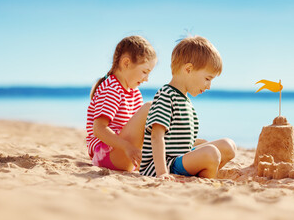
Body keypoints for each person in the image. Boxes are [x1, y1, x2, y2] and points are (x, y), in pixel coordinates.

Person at [140, 35, 236, 179]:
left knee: (228, 146)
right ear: (189, 69)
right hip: (164, 164)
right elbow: (156, 136)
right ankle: (205, 178)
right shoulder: (166, 95)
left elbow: (178, 141)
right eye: (207, 79)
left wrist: (198, 143)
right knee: (211, 153)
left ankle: (201, 174)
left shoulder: (185, 101)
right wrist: (162, 173)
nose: (209, 86)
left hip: (180, 158)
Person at [86, 35, 157, 171]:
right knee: (150, 108)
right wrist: (127, 147)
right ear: (126, 63)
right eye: (144, 72)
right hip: (107, 155)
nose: (147, 79)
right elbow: (99, 129)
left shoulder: (134, 92)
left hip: (124, 152)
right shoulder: (112, 87)